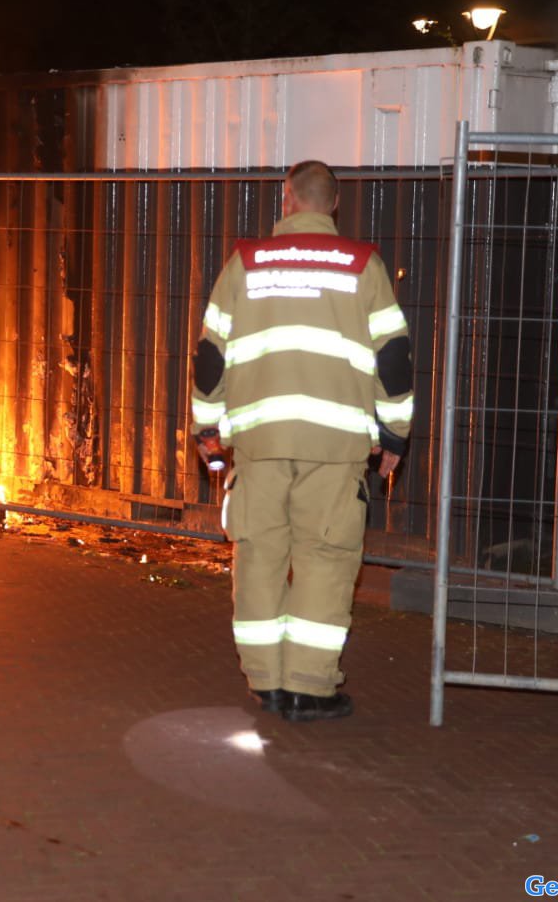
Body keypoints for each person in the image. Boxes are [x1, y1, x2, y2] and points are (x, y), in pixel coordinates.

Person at [190, 160, 413, 722]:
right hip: (336, 447)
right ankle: (310, 689)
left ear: (286, 201)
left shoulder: (246, 263)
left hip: (260, 444)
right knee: (325, 558)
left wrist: (206, 429)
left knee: (260, 556)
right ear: (332, 205)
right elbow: (394, 359)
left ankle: (265, 684)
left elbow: (210, 358)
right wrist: (394, 436)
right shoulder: (363, 265)